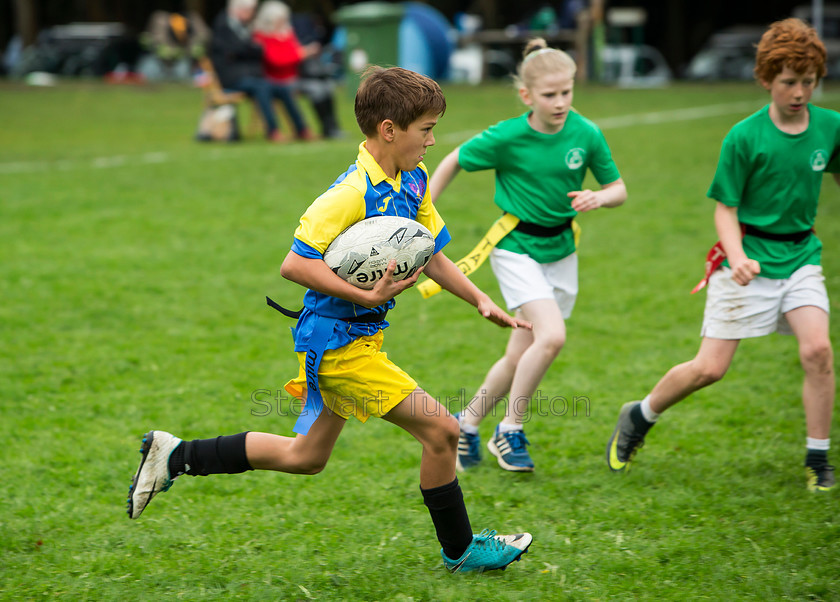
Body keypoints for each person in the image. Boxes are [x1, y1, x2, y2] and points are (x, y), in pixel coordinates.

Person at [127, 66, 535, 573]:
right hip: (337, 341)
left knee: (306, 457)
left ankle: (175, 455)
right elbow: (295, 263)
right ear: (389, 129)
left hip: (359, 337)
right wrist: (359, 296)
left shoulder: (414, 179)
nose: (433, 140)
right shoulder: (349, 194)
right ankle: (461, 551)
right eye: (426, 129)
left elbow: (429, 252)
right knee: (443, 432)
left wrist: (478, 299)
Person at [606, 18, 839, 492]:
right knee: (709, 369)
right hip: (747, 261)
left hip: (801, 257)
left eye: (808, 82)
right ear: (767, 80)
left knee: (818, 351)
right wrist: (736, 258)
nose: (799, 92)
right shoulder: (744, 137)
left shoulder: (831, 127)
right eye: (789, 82)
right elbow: (725, 210)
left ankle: (818, 459)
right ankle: (640, 414)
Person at [429, 38, 627, 473]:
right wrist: (424, 210)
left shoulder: (586, 133)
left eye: (567, 92)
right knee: (551, 338)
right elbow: (454, 159)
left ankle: (467, 424)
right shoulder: (508, 136)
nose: (560, 103)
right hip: (516, 248)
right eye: (550, 95)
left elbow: (620, 189)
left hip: (561, 251)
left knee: (520, 355)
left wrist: (601, 197)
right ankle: (510, 430)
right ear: (527, 96)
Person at [208, 0, 283, 141]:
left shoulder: (242, 27)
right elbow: (234, 52)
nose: (252, 14)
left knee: (281, 88)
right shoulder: (223, 26)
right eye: (250, 10)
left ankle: (301, 129)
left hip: (245, 75)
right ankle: (273, 131)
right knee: (262, 87)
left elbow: (253, 51)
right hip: (230, 79)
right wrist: (250, 50)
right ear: (239, 10)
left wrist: (248, 51)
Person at [252, 1, 315, 141]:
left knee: (292, 91)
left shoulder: (287, 33)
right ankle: (274, 131)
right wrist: (300, 54)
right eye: (279, 20)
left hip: (291, 78)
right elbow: (275, 60)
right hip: (272, 78)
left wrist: (296, 54)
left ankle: (302, 129)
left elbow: (288, 55)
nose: (282, 22)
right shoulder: (261, 36)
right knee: (280, 90)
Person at [137, 3, 210, 82]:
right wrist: (158, 47)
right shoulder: (159, 19)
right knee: (148, 67)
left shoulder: (192, 18)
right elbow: (146, 39)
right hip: (158, 61)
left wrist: (190, 49)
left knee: (183, 70)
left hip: (181, 60)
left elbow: (204, 36)